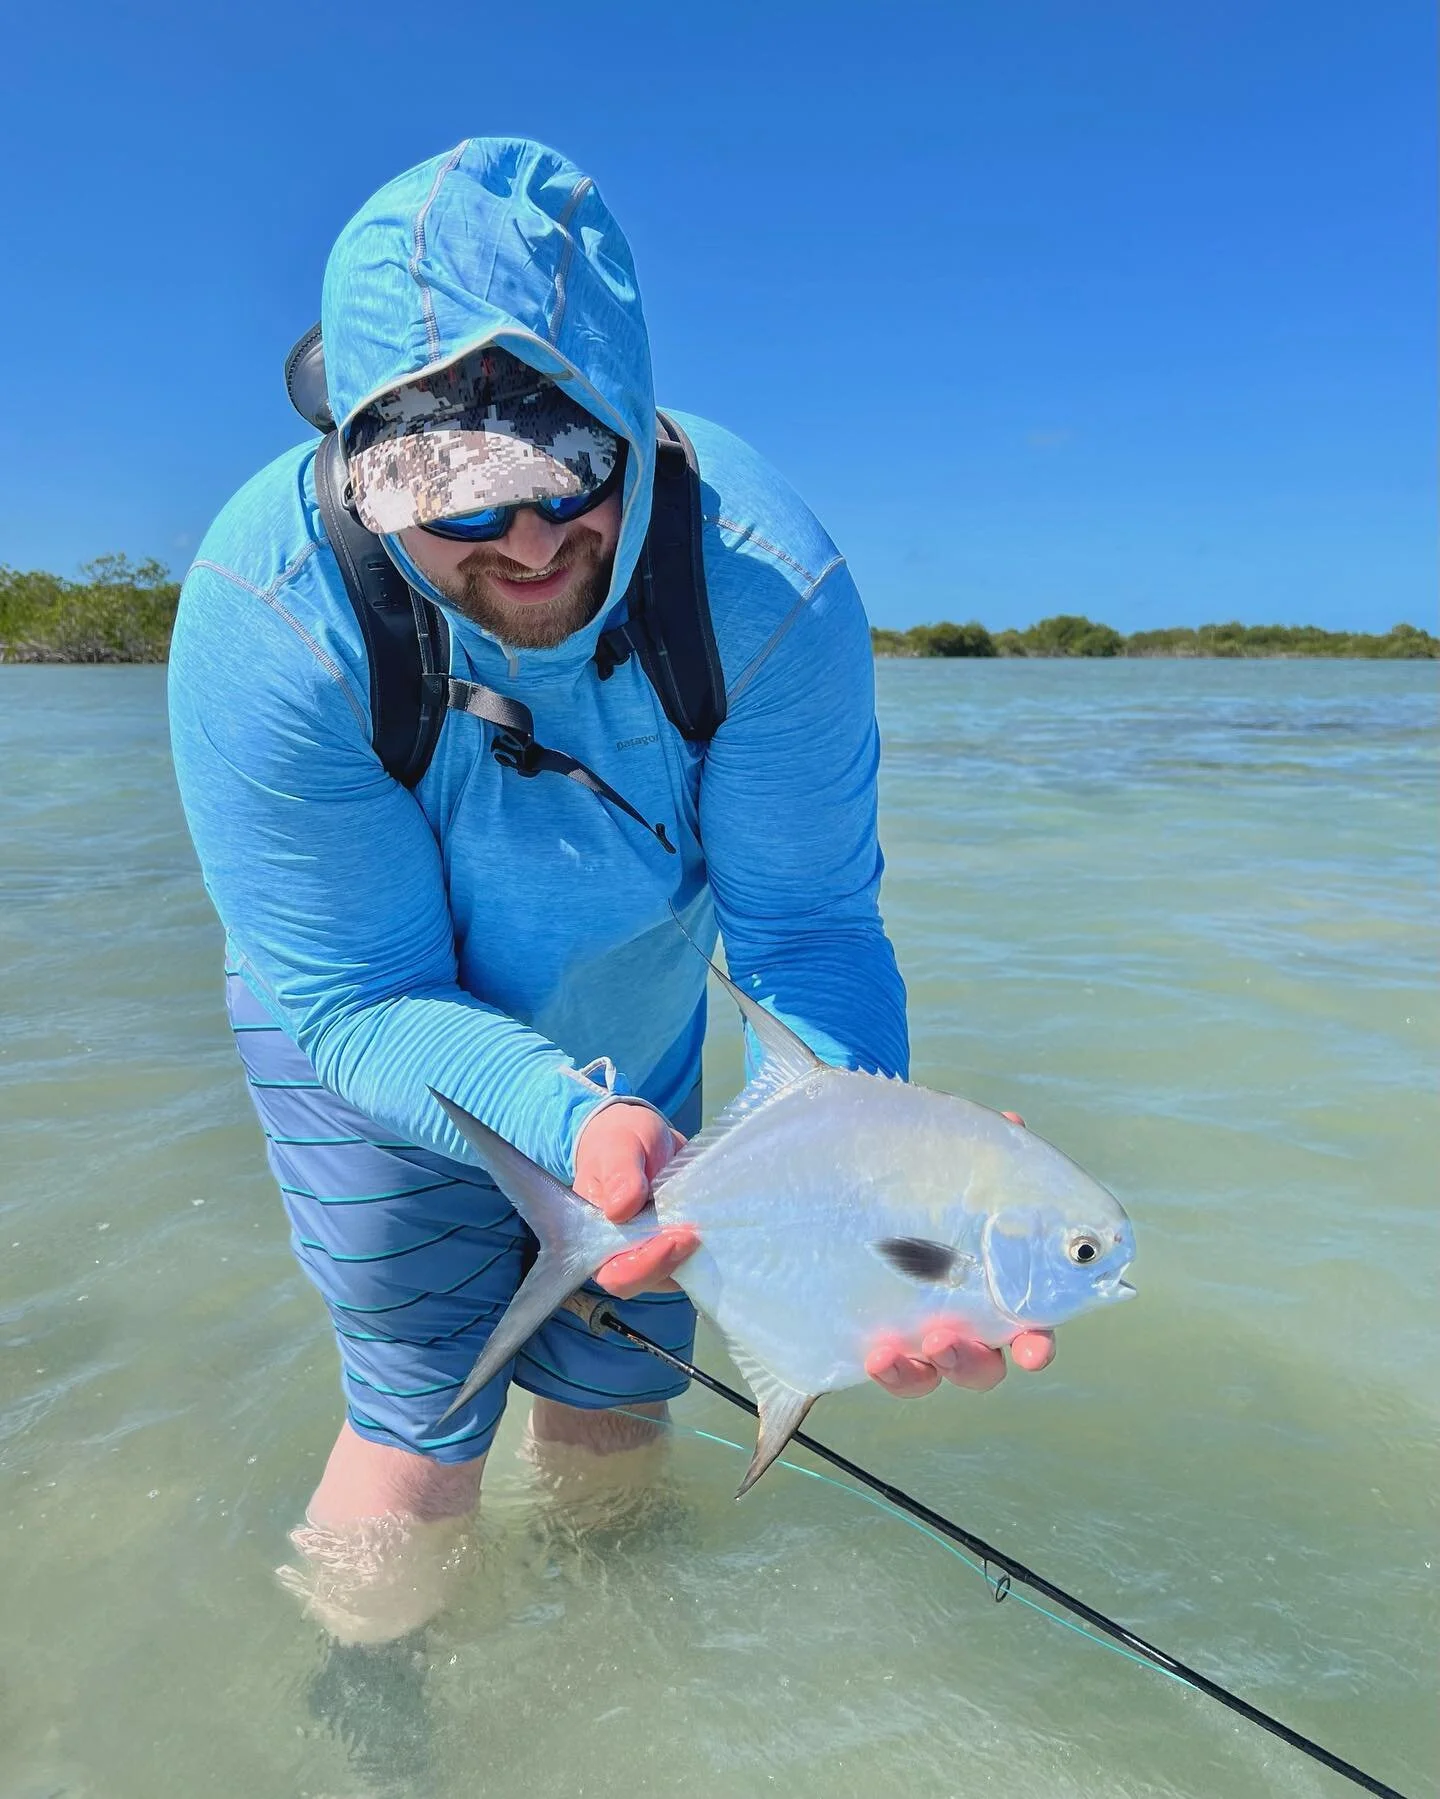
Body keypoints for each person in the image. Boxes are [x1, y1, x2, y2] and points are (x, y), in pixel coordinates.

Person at [168, 138, 1055, 1648]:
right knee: (419, 1405)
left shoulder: (766, 589)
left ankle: (608, 1685)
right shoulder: (270, 617)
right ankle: (363, 1712)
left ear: (631, 414)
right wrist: (563, 1123)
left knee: (619, 1392)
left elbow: (809, 934)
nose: (524, 543)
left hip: (628, 1008)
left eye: (568, 475)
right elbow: (359, 994)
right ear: (361, 463)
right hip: (358, 1020)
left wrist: (867, 1177)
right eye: (450, 497)